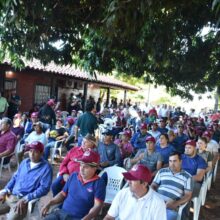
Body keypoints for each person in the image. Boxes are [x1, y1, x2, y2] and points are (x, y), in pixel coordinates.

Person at [42, 150, 106, 220]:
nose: (82, 169)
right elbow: (62, 194)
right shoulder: (74, 175)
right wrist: (50, 203)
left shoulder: (99, 183)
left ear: (94, 168)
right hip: (61, 213)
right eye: (81, 165)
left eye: (86, 167)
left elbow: (97, 206)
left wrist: (86, 218)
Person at [0, 141, 53, 219]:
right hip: (10, 195)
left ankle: (7, 214)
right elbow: (15, 178)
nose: (32, 154)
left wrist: (26, 198)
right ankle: (7, 212)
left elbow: (44, 188)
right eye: (31, 151)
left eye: (36, 152)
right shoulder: (25, 162)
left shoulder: (46, 168)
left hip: (23, 201)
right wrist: (5, 190)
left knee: (10, 219)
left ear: (42, 153)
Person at [151, 152, 192, 220]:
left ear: (180, 161)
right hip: (156, 203)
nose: (172, 164)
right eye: (170, 161)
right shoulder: (162, 171)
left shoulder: (187, 177)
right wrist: (152, 195)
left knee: (170, 216)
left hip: (170, 207)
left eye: (175, 161)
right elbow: (153, 185)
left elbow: (188, 195)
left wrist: (176, 203)